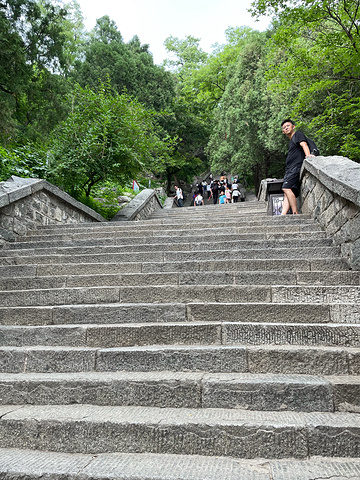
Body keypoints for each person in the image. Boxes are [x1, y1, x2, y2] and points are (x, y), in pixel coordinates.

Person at [281, 119, 315, 215]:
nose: (286, 128)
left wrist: (308, 156)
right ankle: (283, 215)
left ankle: (295, 212)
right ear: (283, 132)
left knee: (286, 188)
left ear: (293, 126)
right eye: (284, 127)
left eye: (288, 125)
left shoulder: (298, 134)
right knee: (286, 192)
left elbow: (304, 144)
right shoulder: (291, 140)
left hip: (295, 167)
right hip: (290, 169)